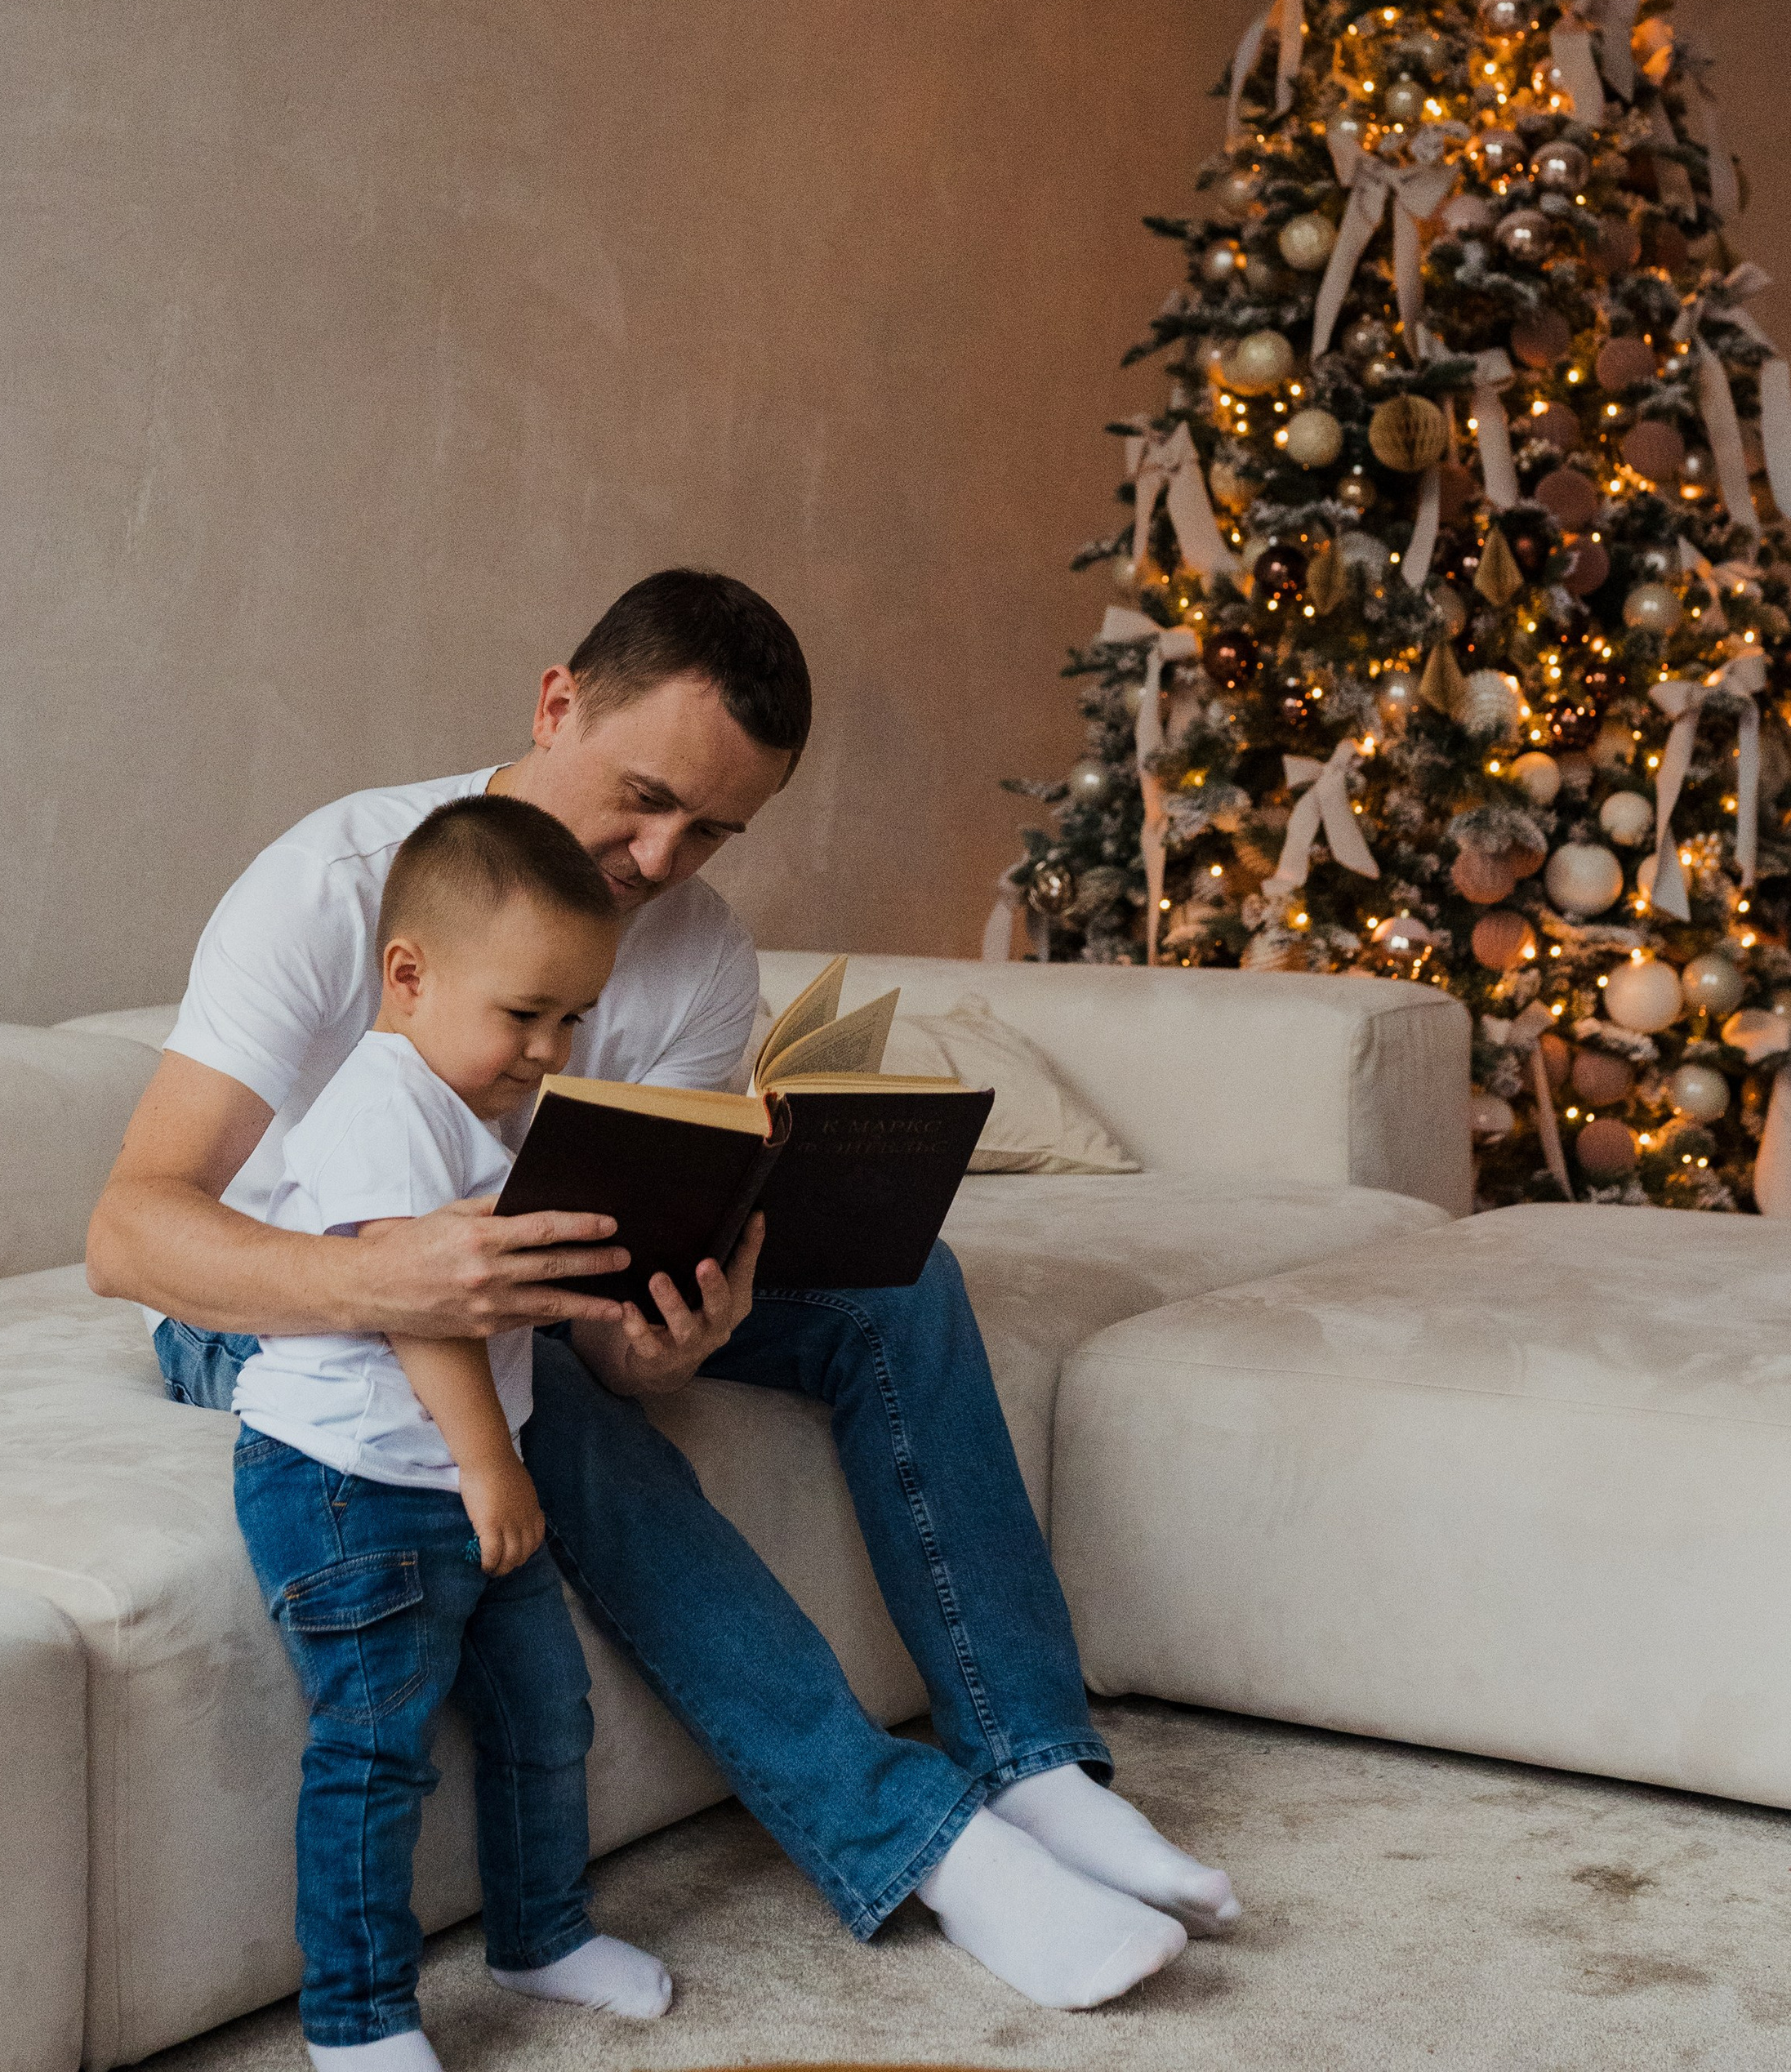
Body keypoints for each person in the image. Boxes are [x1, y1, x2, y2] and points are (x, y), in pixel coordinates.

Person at [89, 570, 1239, 2013]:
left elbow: (627, 1283)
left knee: (900, 1281)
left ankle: (1037, 1766)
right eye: (642, 797)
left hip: (527, 1286)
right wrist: (386, 1272)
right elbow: (130, 1233)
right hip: (268, 1304)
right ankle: (930, 1846)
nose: (659, 855)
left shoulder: (699, 951)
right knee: (537, 1393)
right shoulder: (345, 881)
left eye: (711, 830)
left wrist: (664, 1345)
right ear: (557, 702)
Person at [231, 793, 672, 2072]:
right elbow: (422, 1313)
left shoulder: (494, 1109)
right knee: (375, 1749)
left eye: (572, 1017)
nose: (548, 1047)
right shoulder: (379, 1104)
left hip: (463, 1476)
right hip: (349, 1481)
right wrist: (493, 1468)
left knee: (546, 1713)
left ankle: (541, 1932)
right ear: (409, 977)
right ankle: (359, 2021)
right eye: (523, 1014)